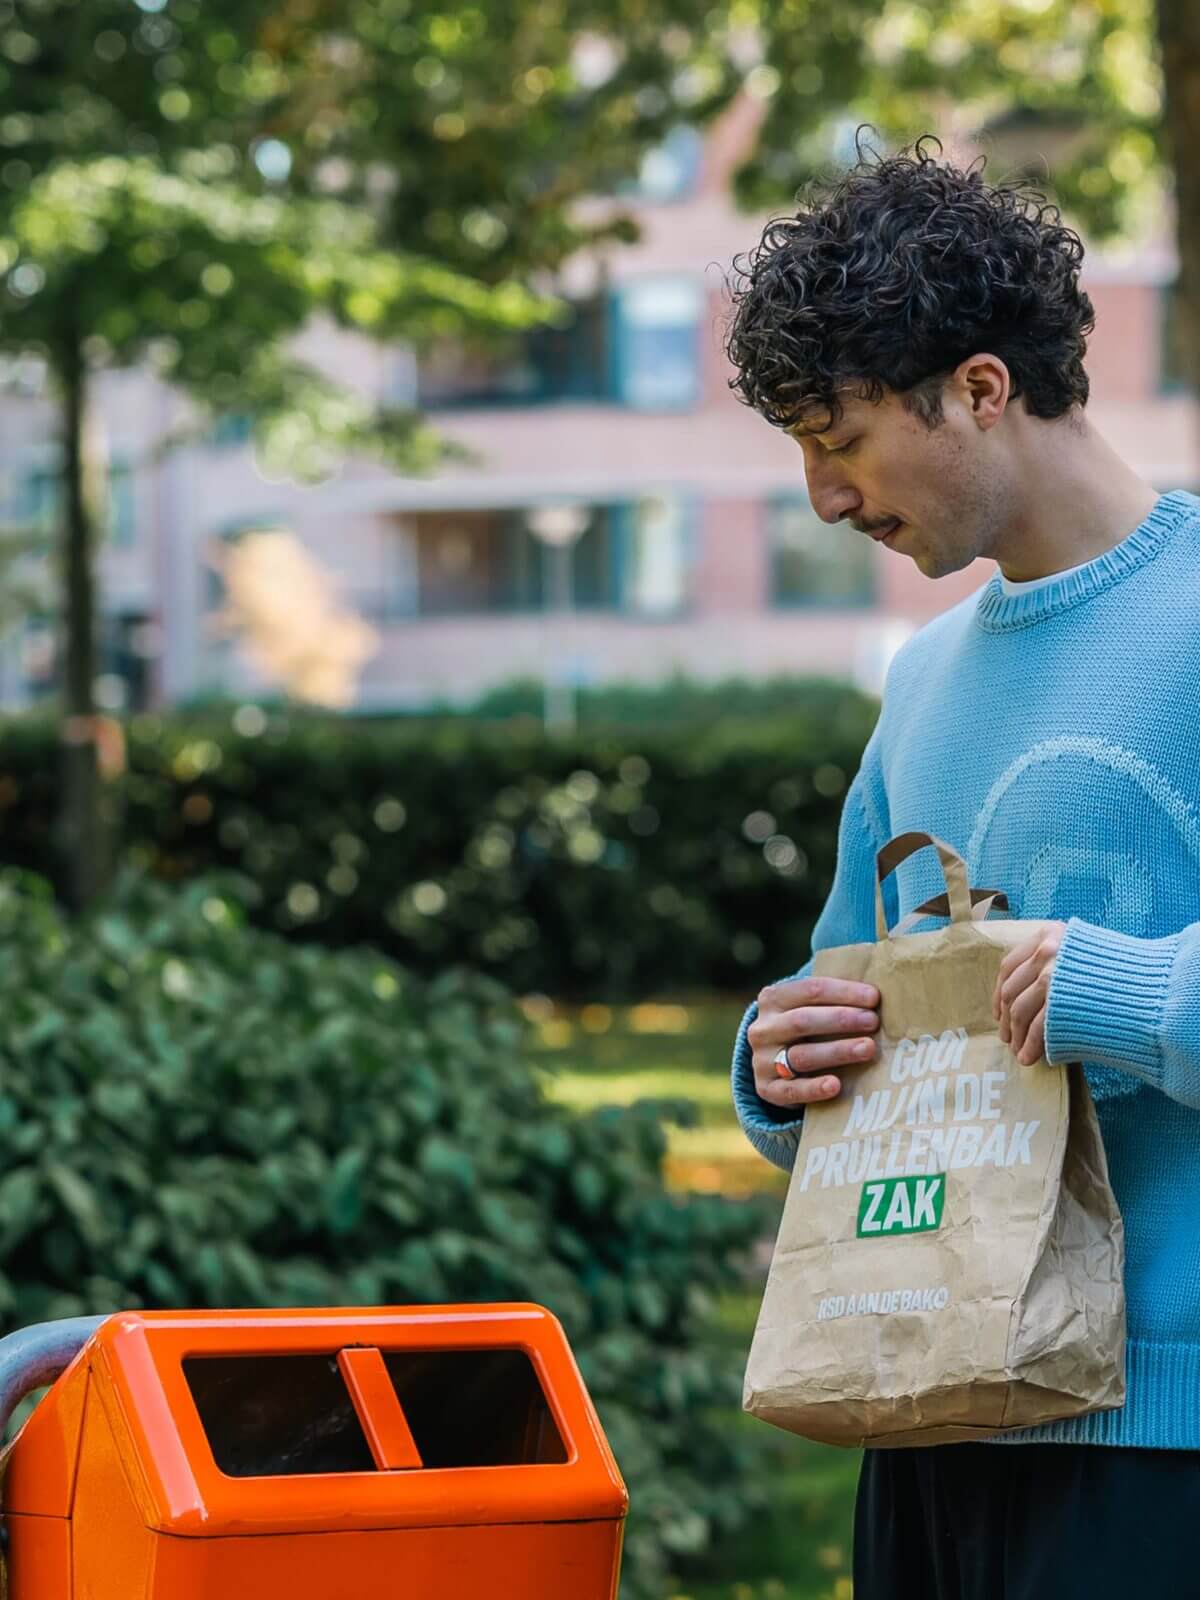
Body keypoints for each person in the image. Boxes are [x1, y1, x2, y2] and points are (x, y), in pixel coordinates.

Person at [724, 131, 1200, 1598]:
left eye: (841, 439)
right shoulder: (923, 680)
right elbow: (841, 997)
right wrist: (778, 1059)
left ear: (981, 389)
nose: (822, 497)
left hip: (1166, 1451)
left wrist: (1116, 992)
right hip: (926, 1407)